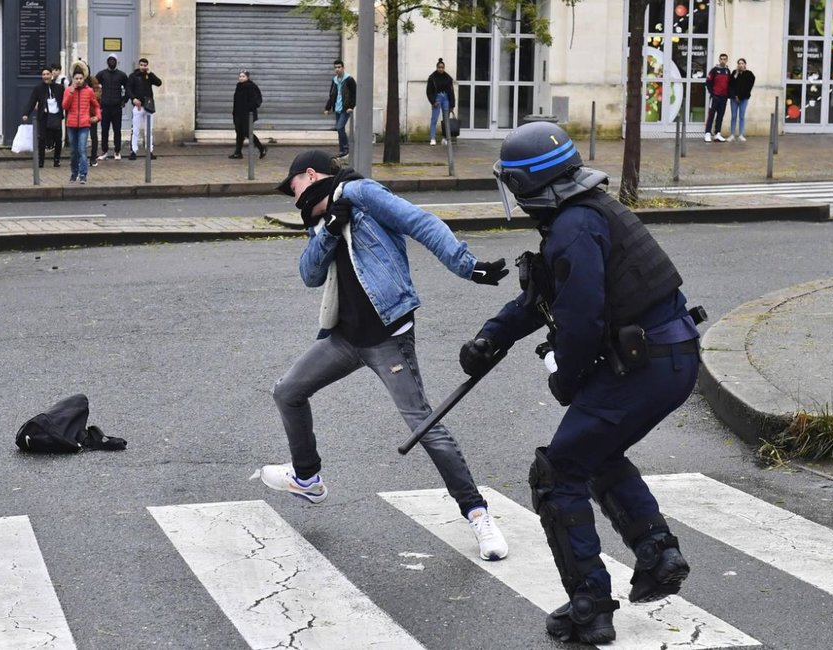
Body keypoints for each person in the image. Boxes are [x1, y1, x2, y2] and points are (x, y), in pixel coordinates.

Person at [461, 121, 702, 643]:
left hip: (642, 365)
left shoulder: (572, 227)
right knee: (592, 452)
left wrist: (567, 380)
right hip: (673, 356)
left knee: (557, 473)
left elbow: (582, 318)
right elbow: (543, 297)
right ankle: (658, 553)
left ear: (529, 186)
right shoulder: (587, 212)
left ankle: (589, 604)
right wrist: (490, 338)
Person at [260, 149, 512, 562]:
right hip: (344, 339)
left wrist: (469, 266)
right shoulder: (323, 218)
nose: (294, 199)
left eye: (294, 188)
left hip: (387, 339)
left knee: (425, 425)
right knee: (287, 391)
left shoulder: (362, 193)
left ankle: (478, 514)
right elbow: (309, 275)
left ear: (310, 174)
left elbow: (421, 223)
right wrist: (328, 230)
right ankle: (306, 478)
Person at [62, 68, 100, 184]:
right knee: (73, 151)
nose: (78, 81)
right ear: (73, 79)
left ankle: (83, 174)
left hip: (84, 124)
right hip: (71, 124)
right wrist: (71, 93)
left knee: (82, 150)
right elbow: (65, 106)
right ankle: (74, 172)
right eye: (76, 79)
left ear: (84, 79)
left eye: (80, 78)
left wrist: (97, 117)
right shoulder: (68, 90)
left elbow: (96, 105)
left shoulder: (89, 91)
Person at [21, 67, 64, 168]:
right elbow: (32, 101)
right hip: (44, 116)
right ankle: (41, 161)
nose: (45, 76)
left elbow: (65, 101)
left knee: (58, 139)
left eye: (47, 74)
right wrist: (26, 113)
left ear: (51, 75)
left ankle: (56, 160)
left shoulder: (59, 88)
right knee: (42, 139)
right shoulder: (38, 88)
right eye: (43, 74)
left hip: (56, 116)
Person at [95, 55, 129, 161]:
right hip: (104, 106)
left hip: (116, 107)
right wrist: (98, 101)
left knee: (117, 130)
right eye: (110, 60)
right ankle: (104, 151)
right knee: (104, 129)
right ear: (107, 62)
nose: (112, 62)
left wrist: (124, 100)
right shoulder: (101, 74)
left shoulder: (122, 75)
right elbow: (94, 88)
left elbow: (128, 88)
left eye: (113, 60)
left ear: (117, 62)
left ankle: (117, 151)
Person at [127, 57, 162, 160]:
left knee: (149, 130)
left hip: (148, 106)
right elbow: (128, 89)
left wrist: (150, 73)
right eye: (141, 65)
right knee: (135, 130)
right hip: (138, 107)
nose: (143, 67)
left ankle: (149, 151)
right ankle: (133, 150)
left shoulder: (149, 76)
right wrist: (133, 99)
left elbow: (159, 82)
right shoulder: (133, 76)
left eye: (145, 65)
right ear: (139, 65)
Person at [229, 69, 266, 160]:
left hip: (247, 115)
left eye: (243, 76)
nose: (241, 78)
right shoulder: (239, 86)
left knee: (247, 132)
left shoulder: (251, 86)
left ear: (247, 77)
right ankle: (238, 153)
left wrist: (249, 109)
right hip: (238, 114)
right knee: (239, 133)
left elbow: (257, 100)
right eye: (240, 76)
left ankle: (262, 148)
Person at [323, 60, 355, 159]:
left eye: (339, 67)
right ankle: (342, 151)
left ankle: (346, 150)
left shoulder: (349, 79)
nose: (337, 69)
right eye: (335, 67)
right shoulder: (335, 80)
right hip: (337, 108)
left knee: (340, 127)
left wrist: (351, 106)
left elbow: (354, 94)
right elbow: (331, 95)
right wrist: (327, 108)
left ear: (343, 68)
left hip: (345, 109)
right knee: (339, 129)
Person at [72, 60, 101, 166]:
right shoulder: (75, 81)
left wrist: (89, 94)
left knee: (93, 136)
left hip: (91, 112)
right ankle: (80, 158)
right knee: (80, 137)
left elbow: (98, 94)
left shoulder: (92, 80)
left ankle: (93, 157)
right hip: (80, 113)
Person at [426, 58, 455, 146]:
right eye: (439, 67)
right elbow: (429, 91)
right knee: (434, 119)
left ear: (444, 68)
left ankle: (445, 138)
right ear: (436, 67)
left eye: (442, 67)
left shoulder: (448, 78)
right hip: (437, 100)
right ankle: (433, 138)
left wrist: (452, 105)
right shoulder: (432, 78)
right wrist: (433, 101)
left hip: (446, 99)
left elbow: (451, 92)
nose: (441, 69)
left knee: (446, 119)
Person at [704, 53, 730, 143]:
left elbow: (729, 84)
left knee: (720, 116)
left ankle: (717, 134)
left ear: (726, 60)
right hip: (715, 97)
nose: (723, 60)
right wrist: (712, 93)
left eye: (724, 59)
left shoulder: (727, 71)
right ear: (719, 60)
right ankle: (707, 133)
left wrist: (727, 95)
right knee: (711, 115)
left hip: (724, 98)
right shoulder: (714, 70)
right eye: (721, 59)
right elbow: (708, 82)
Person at [728, 58, 755, 142]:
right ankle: (732, 134)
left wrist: (741, 97)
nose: (740, 65)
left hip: (744, 99)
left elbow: (748, 87)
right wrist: (735, 96)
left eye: (742, 63)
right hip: (734, 99)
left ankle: (741, 134)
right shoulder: (734, 73)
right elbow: (731, 85)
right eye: (739, 63)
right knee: (733, 116)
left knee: (742, 117)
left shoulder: (749, 74)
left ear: (745, 64)